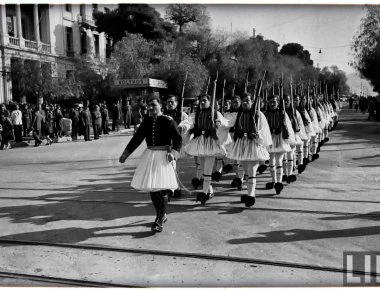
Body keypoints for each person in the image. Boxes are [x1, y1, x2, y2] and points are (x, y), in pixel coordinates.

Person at [119, 95, 182, 233]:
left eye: (154, 105)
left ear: (161, 105)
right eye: (149, 105)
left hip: (165, 157)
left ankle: (159, 220)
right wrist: (126, 153)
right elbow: (137, 139)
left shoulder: (168, 121)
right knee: (152, 188)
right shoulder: (146, 121)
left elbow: (178, 139)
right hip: (150, 155)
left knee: (164, 188)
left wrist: (175, 154)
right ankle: (161, 214)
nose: (151, 108)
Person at [178, 93, 230, 205]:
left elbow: (224, 122)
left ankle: (204, 193)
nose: (202, 103)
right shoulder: (196, 114)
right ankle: (209, 190)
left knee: (207, 171)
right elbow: (189, 122)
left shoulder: (215, 113)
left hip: (210, 142)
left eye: (204, 100)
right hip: (199, 143)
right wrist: (185, 126)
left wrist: (219, 123)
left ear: (210, 102)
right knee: (202, 168)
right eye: (201, 101)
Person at [226, 93, 272, 207]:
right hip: (242, 144)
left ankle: (251, 195)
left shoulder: (258, 114)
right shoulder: (239, 114)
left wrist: (257, 135)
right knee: (245, 170)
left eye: (247, 100)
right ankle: (248, 193)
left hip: (253, 144)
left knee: (251, 171)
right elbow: (229, 123)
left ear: (252, 102)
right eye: (243, 101)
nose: (245, 103)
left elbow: (264, 130)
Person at [265, 95, 295, 195]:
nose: (272, 104)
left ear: (278, 103)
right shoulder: (267, 114)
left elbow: (288, 127)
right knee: (271, 161)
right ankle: (274, 180)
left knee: (278, 160)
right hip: (270, 139)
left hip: (280, 139)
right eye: (270, 102)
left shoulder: (282, 113)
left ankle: (279, 182)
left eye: (274, 102)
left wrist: (282, 130)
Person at [162, 94, 189, 198]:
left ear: (177, 103)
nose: (169, 104)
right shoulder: (162, 115)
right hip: (165, 145)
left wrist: (183, 127)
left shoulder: (183, 115)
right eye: (168, 102)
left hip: (178, 146)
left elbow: (188, 125)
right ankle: (173, 188)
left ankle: (175, 188)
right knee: (168, 167)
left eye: (172, 102)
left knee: (175, 168)